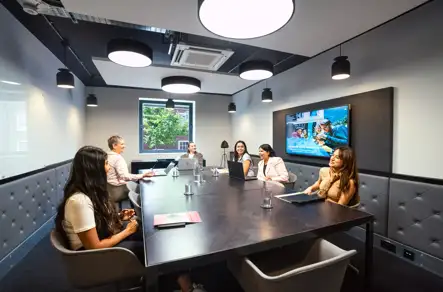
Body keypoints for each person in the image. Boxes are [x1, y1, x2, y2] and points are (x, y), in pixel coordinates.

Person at [55, 146, 205, 292]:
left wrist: (119, 217)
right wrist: (127, 231)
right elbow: (95, 246)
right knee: (162, 250)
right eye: (106, 164)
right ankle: (187, 287)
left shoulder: (88, 194)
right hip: (95, 258)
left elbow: (95, 223)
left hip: (103, 246)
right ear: (93, 170)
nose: (108, 168)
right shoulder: (79, 201)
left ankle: (177, 276)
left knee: (161, 237)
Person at [106, 135, 152, 203]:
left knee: (137, 186)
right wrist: (142, 175)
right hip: (118, 191)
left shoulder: (107, 156)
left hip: (110, 190)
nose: (124, 146)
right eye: (122, 144)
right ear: (114, 146)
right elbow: (125, 176)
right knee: (144, 190)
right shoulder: (117, 158)